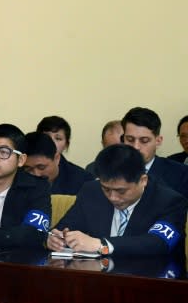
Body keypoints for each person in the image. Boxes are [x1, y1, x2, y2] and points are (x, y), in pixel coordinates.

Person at [48, 144, 187, 256]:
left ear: (143, 180)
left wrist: (102, 245)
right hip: (100, 278)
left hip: (154, 282)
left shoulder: (170, 202)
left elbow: (158, 243)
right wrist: (55, 239)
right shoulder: (91, 191)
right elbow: (64, 228)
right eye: (107, 189)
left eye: (121, 191)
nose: (113, 197)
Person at [121, 107, 188, 198]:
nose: (136, 147)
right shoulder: (109, 170)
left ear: (158, 141)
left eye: (144, 141)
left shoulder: (181, 175)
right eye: (130, 140)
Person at [23, 132, 94, 195]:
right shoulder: (16, 179)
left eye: (41, 167)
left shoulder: (84, 182)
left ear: (57, 159)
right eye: (28, 169)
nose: (36, 174)